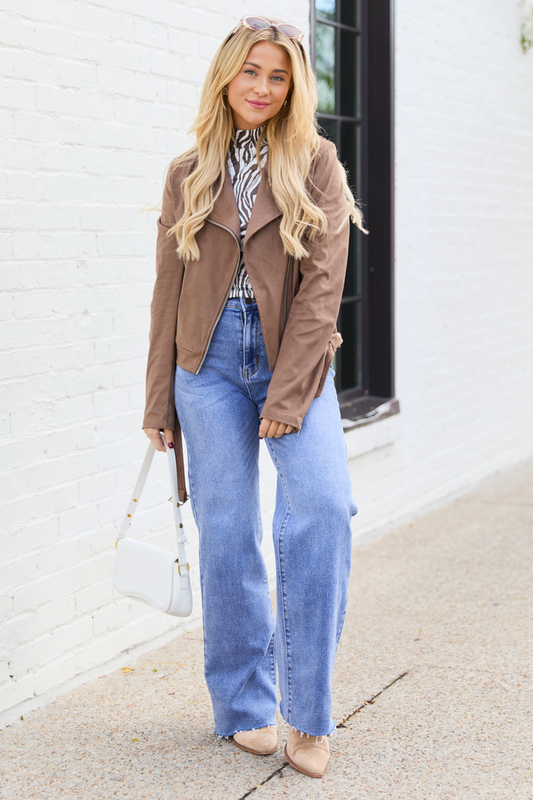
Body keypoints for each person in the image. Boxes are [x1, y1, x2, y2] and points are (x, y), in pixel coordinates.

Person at [142, 15, 365, 779]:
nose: (263, 88)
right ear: (226, 77)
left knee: (321, 510)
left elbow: (322, 293)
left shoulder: (317, 164)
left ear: (293, 85)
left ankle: (307, 715)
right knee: (228, 532)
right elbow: (166, 293)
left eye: (277, 76)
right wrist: (156, 403)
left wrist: (290, 391)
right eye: (250, 73)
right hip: (203, 367)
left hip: (290, 360)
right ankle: (242, 706)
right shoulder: (187, 171)